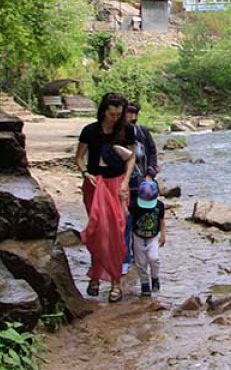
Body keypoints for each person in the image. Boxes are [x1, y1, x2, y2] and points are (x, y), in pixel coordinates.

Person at [74, 92, 136, 303]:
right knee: (98, 230)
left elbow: (131, 158)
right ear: (103, 111)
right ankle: (95, 276)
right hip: (95, 184)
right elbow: (79, 157)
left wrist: (126, 182)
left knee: (117, 232)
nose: (115, 118)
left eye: (119, 114)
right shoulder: (90, 130)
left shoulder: (126, 130)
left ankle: (116, 282)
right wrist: (85, 173)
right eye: (111, 114)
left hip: (117, 184)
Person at [122, 102, 159, 271]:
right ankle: (126, 257)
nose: (132, 117)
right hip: (124, 182)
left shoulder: (143, 132)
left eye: (134, 114)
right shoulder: (118, 133)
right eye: (129, 113)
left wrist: (150, 172)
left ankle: (141, 253)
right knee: (126, 219)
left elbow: (152, 151)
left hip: (143, 181)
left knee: (143, 218)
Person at [129, 178, 166, 297]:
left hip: (153, 237)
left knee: (154, 258)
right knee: (140, 263)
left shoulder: (159, 206)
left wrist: (163, 235)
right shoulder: (135, 204)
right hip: (138, 237)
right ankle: (144, 283)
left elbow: (161, 220)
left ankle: (155, 278)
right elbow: (127, 215)